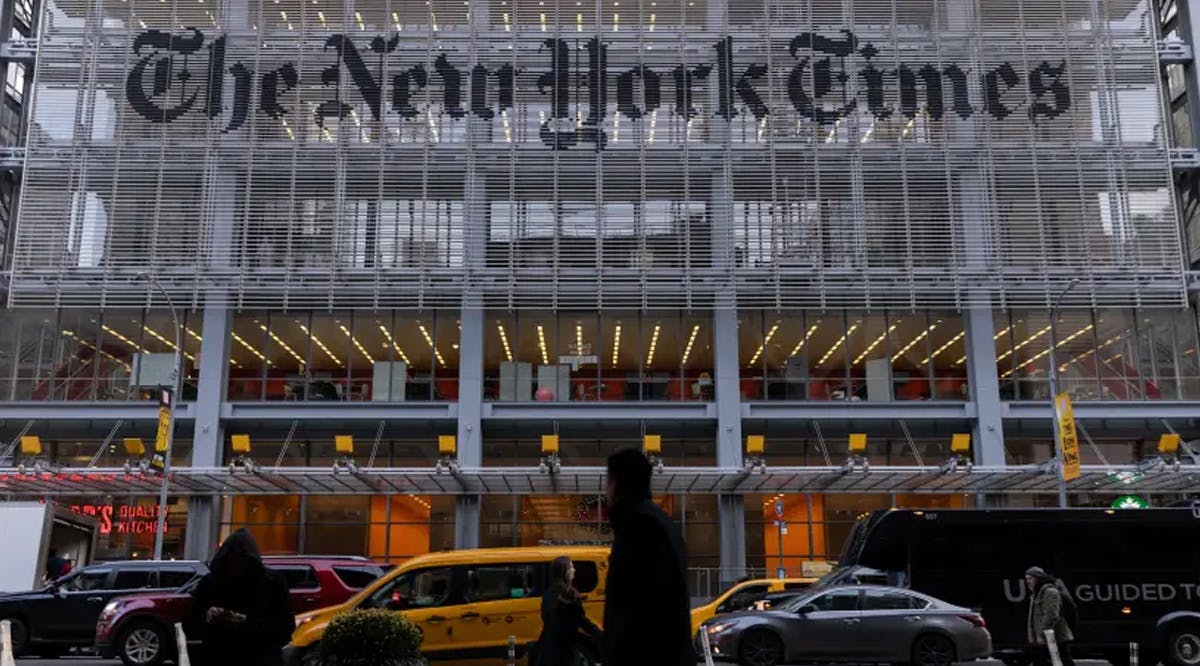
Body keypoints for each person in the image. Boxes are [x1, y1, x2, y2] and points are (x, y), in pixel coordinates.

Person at [602, 448, 693, 666]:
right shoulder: (660, 522)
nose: (606, 491)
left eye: (607, 482)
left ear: (616, 485)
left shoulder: (638, 526)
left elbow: (632, 610)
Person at [188, 529, 294, 666]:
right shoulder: (209, 584)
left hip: (257, 657)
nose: (236, 567)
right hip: (222, 656)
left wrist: (245, 621)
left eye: (241, 561)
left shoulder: (273, 583)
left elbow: (285, 628)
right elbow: (190, 626)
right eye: (232, 561)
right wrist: (206, 617)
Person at [534, 556, 602, 666]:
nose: (574, 570)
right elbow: (582, 621)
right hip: (565, 651)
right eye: (571, 567)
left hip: (547, 649)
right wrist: (601, 636)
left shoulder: (548, 595)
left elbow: (546, 617)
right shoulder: (570, 597)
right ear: (563, 572)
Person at [1025, 566, 1076, 666]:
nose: (1027, 582)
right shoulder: (1036, 594)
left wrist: (1041, 634)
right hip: (1044, 638)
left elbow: (1052, 615)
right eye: (1026, 579)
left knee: (1064, 661)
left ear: (1038, 578)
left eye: (1030, 578)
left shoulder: (1050, 592)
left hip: (1055, 637)